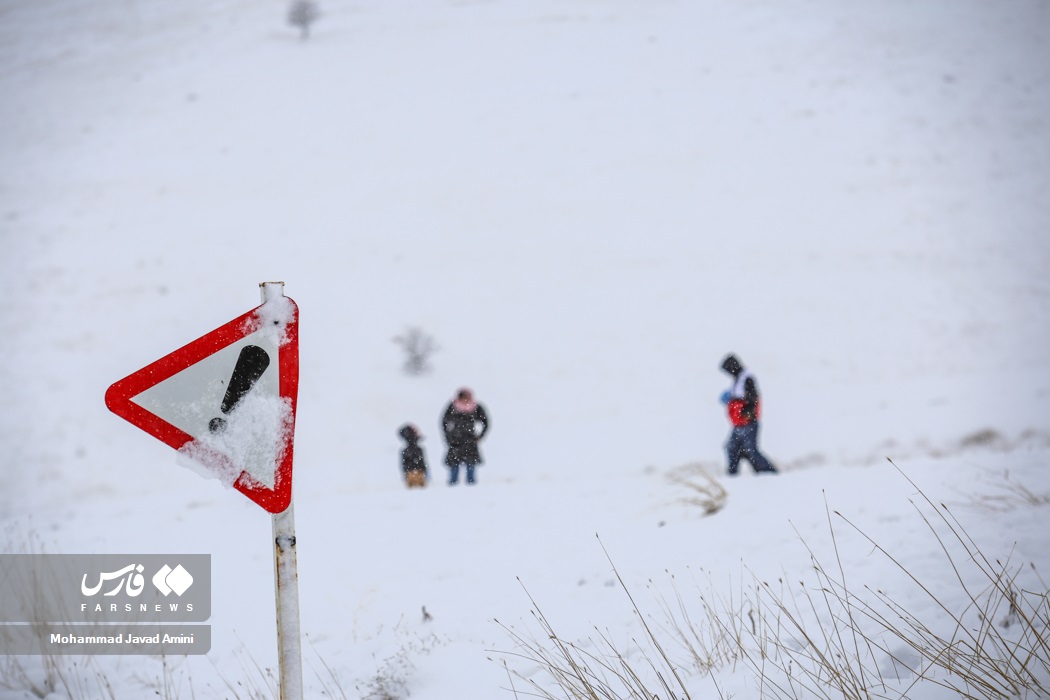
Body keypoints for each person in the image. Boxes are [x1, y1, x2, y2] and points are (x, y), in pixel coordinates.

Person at [719, 354, 778, 475]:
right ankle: (732, 475)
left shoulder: (747, 378)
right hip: (738, 424)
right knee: (732, 448)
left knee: (751, 451)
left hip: (748, 423)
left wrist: (747, 412)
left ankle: (769, 474)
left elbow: (754, 398)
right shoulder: (737, 380)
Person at [441, 388, 489, 485]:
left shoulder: (476, 407)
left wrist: (481, 435)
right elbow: (444, 422)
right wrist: (448, 436)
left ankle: (471, 486)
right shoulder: (452, 406)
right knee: (454, 466)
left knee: (471, 465)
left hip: (470, 439)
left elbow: (486, 422)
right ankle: (452, 486)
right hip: (455, 440)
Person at [398, 424, 429, 488]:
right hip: (416, 471)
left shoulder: (407, 450)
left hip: (412, 471)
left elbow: (404, 464)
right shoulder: (417, 449)